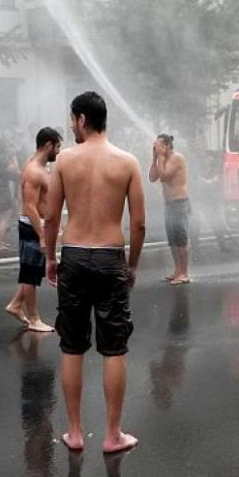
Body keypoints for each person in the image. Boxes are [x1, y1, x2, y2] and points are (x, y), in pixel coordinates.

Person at [42, 92, 146, 454]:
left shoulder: (65, 162)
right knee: (113, 348)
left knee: (72, 345)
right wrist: (131, 265)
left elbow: (52, 216)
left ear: (82, 120)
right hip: (109, 256)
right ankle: (112, 435)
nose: (71, 125)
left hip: (73, 254)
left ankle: (73, 432)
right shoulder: (128, 162)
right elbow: (139, 224)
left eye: (72, 119)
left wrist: (50, 257)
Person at [5, 127, 61, 332]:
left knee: (35, 270)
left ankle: (15, 304)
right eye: (58, 146)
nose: (59, 151)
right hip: (32, 226)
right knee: (30, 273)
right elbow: (29, 206)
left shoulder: (38, 165)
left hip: (40, 225)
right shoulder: (34, 171)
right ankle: (34, 318)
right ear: (48, 145)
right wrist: (42, 235)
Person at [148, 133, 191, 284]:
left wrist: (160, 157)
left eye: (158, 145)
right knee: (172, 239)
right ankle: (177, 270)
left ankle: (184, 273)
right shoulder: (161, 159)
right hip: (169, 203)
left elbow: (164, 176)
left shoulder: (176, 158)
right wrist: (154, 158)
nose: (156, 147)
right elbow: (152, 177)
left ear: (166, 146)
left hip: (180, 202)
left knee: (181, 238)